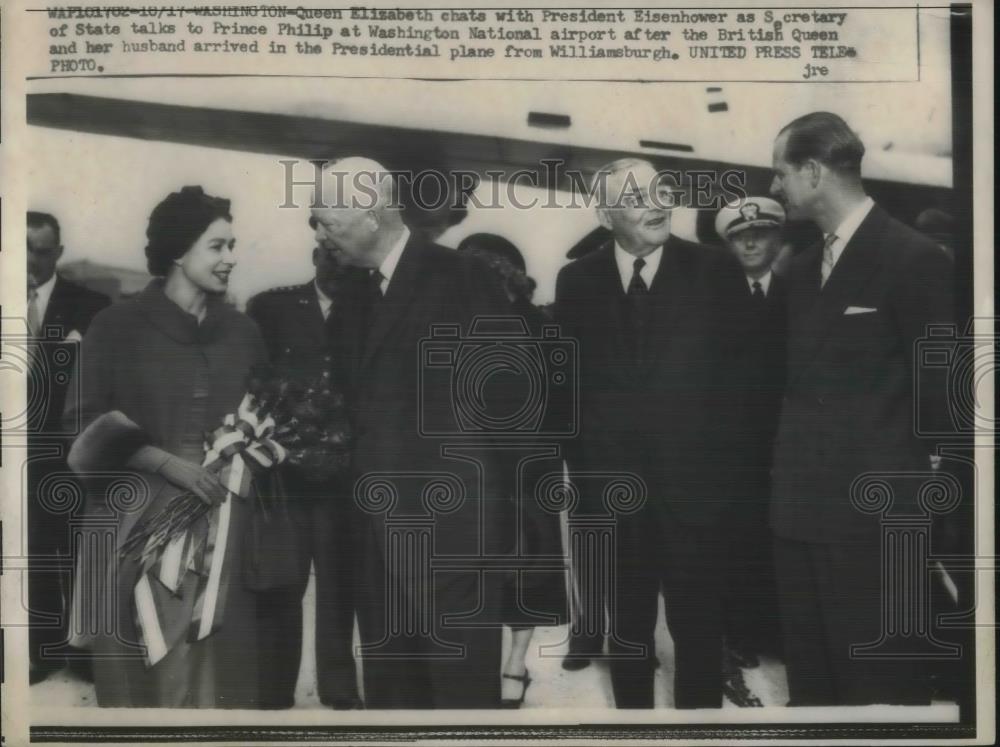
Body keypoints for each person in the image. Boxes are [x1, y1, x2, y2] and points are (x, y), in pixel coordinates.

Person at [313, 157, 514, 708]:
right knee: (392, 703)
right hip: (375, 542)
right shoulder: (353, 298)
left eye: (326, 218)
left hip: (452, 538)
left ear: (371, 215)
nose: (319, 232)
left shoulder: (464, 277)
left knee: (461, 703)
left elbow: (512, 406)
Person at [769, 112, 953, 705]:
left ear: (814, 172)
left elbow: (944, 406)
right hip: (796, 519)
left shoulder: (914, 259)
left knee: (878, 693)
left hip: (873, 527)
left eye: (781, 173)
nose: (775, 188)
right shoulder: (797, 272)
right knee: (813, 694)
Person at [64, 186, 268, 707]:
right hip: (130, 521)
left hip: (220, 525)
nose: (231, 259)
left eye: (232, 246)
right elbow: (79, 424)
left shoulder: (244, 333)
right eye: (217, 246)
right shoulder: (116, 325)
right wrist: (163, 462)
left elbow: (262, 419)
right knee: (131, 670)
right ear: (179, 251)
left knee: (209, 673)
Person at [555, 158, 747, 708]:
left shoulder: (715, 271)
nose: (658, 203)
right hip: (613, 497)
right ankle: (633, 729)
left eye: (662, 191)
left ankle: (698, 732)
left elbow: (743, 383)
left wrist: (724, 481)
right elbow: (565, 390)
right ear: (605, 212)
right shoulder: (577, 281)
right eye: (638, 196)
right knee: (629, 629)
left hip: (697, 496)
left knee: (699, 628)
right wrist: (588, 478)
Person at [245, 224, 362, 710]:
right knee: (282, 579)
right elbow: (256, 378)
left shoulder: (371, 308)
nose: (336, 269)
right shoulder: (271, 307)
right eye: (328, 258)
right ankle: (273, 690)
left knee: (340, 582)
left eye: (345, 261)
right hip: (284, 472)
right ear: (315, 256)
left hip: (344, 472)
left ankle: (338, 688)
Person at [456, 233, 569, 708]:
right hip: (509, 463)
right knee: (509, 567)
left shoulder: (536, 326)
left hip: (516, 464)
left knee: (519, 566)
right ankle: (507, 668)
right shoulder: (473, 322)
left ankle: (511, 667)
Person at [26, 211, 110, 684]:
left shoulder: (89, 306)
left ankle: (83, 651)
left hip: (67, 449)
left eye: (40, 250)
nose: (29, 260)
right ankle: (44, 648)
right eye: (21, 247)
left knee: (78, 548)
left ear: (57, 253)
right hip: (15, 449)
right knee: (30, 550)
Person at [713, 197, 788, 668]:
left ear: (778, 238)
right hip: (728, 451)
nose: (752, 241)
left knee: (776, 542)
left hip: (785, 444)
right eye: (740, 236)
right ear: (728, 244)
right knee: (734, 543)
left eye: (760, 233)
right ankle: (736, 633)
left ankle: (770, 632)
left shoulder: (800, 294)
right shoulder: (708, 298)